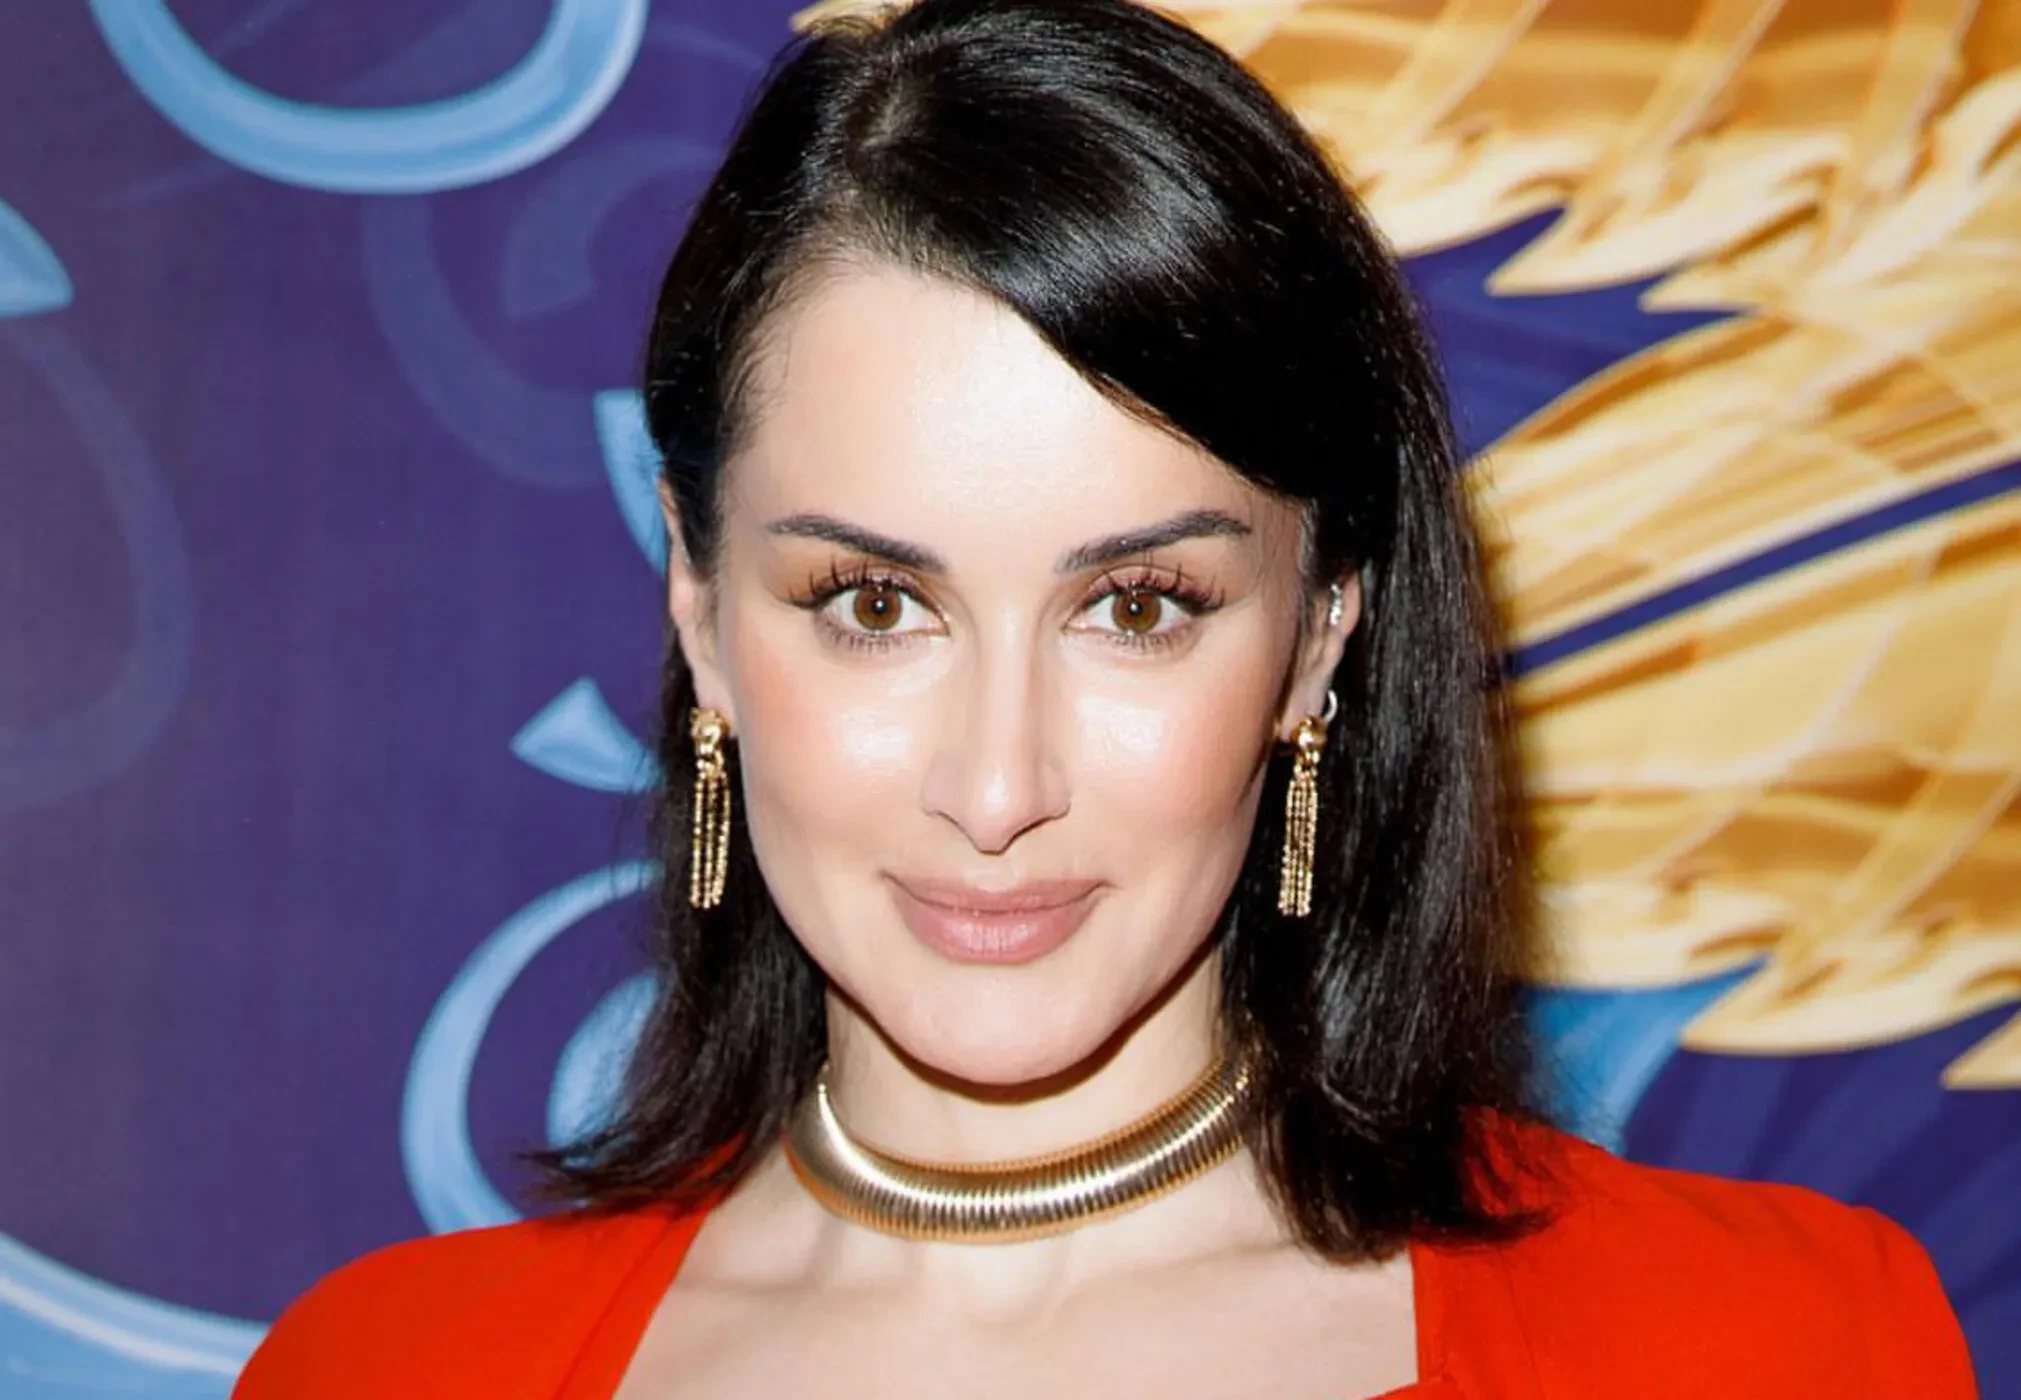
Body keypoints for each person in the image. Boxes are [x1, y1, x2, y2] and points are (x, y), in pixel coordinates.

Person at [233, 1, 1979, 1395]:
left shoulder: (1769, 1347)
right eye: (873, 605)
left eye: (1138, 608)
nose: (998, 788)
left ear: (1320, 634)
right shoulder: (387, 1371)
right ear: (700, 605)